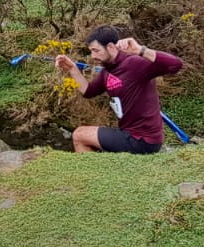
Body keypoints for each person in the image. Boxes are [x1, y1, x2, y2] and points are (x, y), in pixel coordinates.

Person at [54, 26, 185, 154]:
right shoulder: (108, 71)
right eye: (91, 51)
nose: (92, 56)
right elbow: (88, 91)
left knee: (79, 135)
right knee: (83, 134)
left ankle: (89, 174)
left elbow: (176, 64)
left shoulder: (135, 63)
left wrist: (141, 50)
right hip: (128, 133)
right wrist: (72, 69)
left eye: (96, 50)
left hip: (143, 139)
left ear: (110, 47)